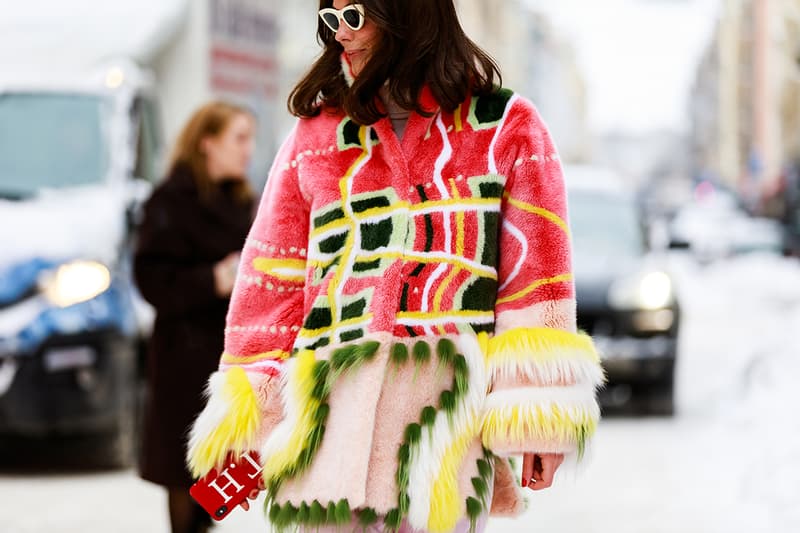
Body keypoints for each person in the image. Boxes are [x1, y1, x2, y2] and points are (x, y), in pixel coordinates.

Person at [187, 2, 604, 532]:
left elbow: (535, 283)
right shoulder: (315, 137)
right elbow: (272, 284)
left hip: (440, 439)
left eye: (354, 14)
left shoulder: (505, 128)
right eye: (330, 19)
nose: (341, 34)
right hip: (323, 440)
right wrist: (245, 437)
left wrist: (536, 414)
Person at [135, 101, 256, 533]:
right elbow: (149, 279)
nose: (249, 150)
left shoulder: (244, 201)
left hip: (230, 360)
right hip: (182, 363)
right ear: (208, 143)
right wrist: (212, 280)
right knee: (183, 472)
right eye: (239, 138)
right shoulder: (169, 201)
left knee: (224, 474)